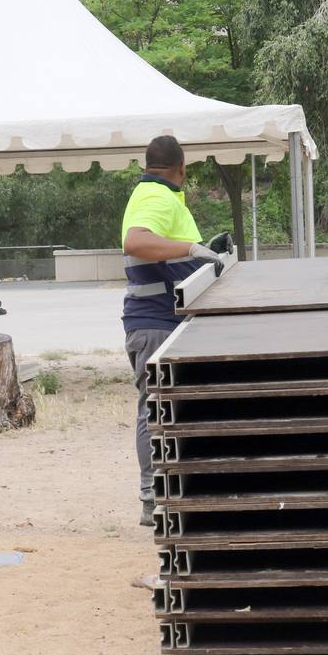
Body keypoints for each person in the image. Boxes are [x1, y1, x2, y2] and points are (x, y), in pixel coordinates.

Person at [121, 136, 229, 527]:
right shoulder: (157, 196)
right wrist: (189, 249)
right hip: (154, 324)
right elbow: (136, 241)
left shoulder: (158, 196)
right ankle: (152, 496)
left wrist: (202, 251)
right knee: (155, 410)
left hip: (160, 323)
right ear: (181, 168)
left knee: (167, 409)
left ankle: (170, 491)